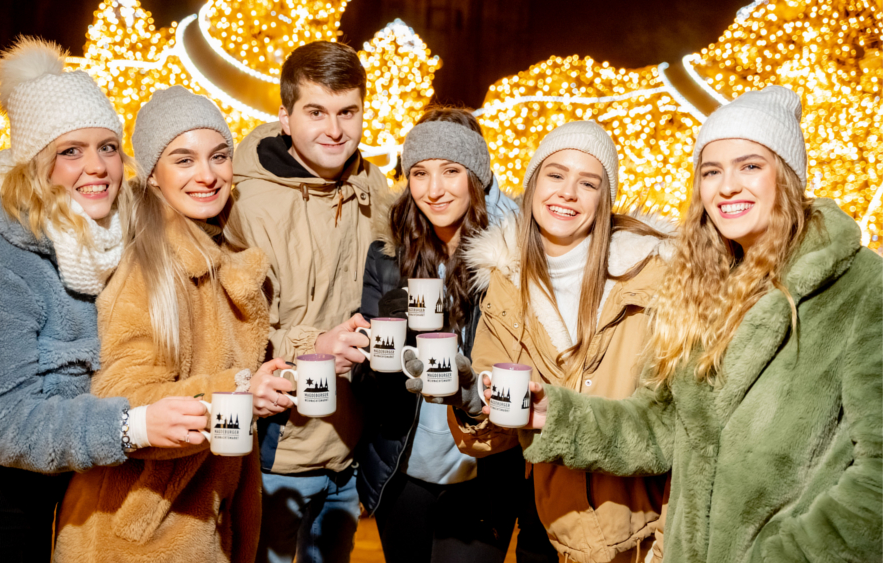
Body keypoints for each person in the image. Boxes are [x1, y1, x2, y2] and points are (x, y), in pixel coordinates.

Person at [521, 86, 882, 562]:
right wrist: (556, 415)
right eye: (712, 171)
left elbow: (876, 472)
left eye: (750, 166)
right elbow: (660, 427)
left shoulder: (859, 286)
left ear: (788, 176)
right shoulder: (696, 289)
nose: (727, 186)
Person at [0, 38, 210, 561]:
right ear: (34, 166)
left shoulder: (99, 243)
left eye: (107, 146)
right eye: (70, 151)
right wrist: (134, 425)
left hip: (42, 491)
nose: (97, 165)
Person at [53, 85, 291, 562]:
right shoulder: (144, 269)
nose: (207, 175)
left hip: (199, 517)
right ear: (153, 174)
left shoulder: (214, 251)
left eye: (218, 156)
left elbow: (233, 351)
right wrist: (240, 388)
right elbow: (121, 400)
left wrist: (313, 347)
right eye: (184, 160)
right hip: (138, 535)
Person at [443, 121, 674, 562]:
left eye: (587, 182)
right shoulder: (506, 286)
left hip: (641, 530)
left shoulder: (652, 278)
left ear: (603, 200)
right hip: (554, 527)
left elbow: (672, 423)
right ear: (531, 187)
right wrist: (470, 402)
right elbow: (502, 431)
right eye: (555, 175)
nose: (567, 192)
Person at [226, 40, 388, 563]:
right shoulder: (240, 200)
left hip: (350, 452)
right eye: (316, 112)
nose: (334, 130)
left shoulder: (374, 189)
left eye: (348, 112)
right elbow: (224, 325)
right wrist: (310, 344)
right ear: (285, 116)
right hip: (276, 454)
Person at [356, 107, 523, 563]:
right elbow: (371, 385)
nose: (434, 189)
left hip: (481, 472)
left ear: (478, 176)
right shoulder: (387, 255)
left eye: (451, 171)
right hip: (401, 468)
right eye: (420, 173)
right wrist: (375, 346)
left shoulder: (511, 260)